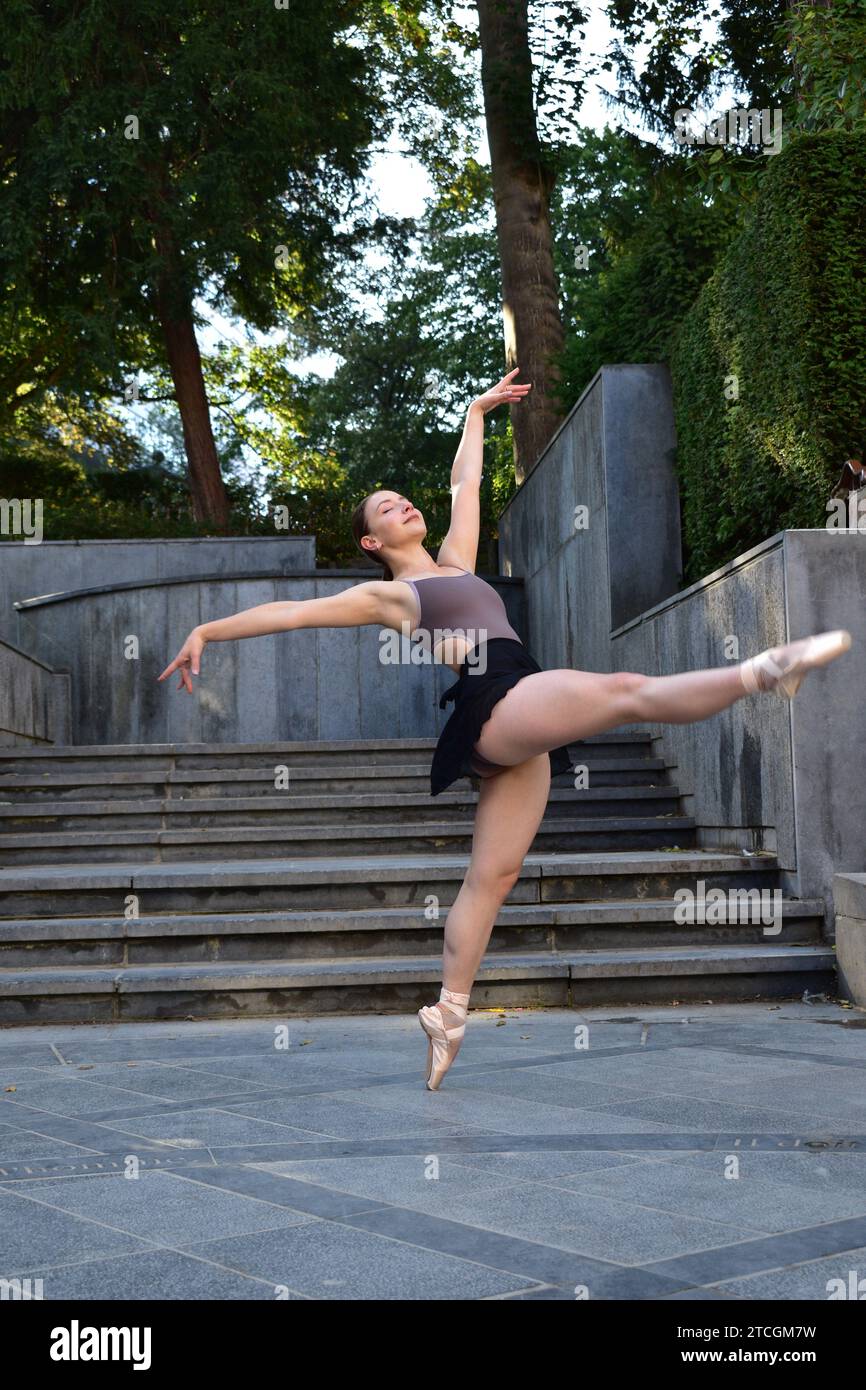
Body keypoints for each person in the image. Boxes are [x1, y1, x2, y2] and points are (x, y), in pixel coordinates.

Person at [159, 369, 853, 1091]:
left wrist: (473, 413)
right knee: (623, 692)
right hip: (498, 696)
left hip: (518, 705)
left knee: (492, 877)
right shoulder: (390, 596)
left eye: (403, 498)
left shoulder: (455, 561)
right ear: (371, 540)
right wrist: (209, 628)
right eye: (387, 510)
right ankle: (767, 672)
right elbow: (290, 615)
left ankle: (447, 1013)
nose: (404, 505)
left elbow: (466, 487)